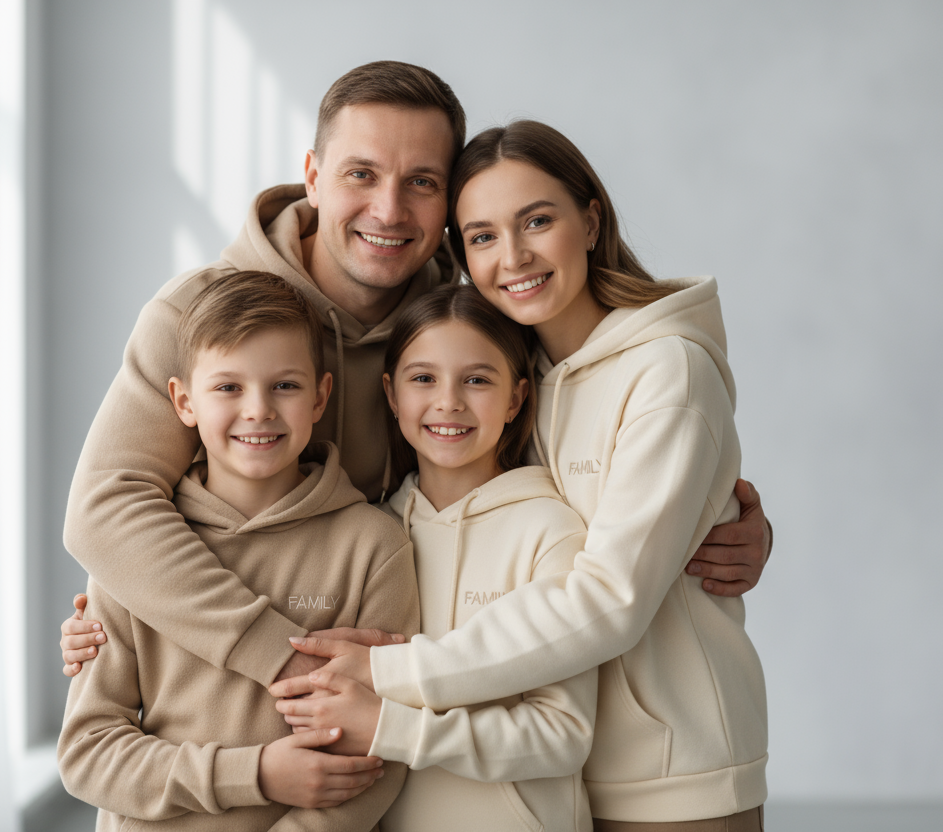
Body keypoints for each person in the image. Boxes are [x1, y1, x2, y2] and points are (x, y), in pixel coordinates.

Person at [58, 62, 771, 689]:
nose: (389, 210)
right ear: (312, 177)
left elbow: (578, 442)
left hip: (400, 710)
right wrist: (131, 619)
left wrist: (716, 516)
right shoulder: (200, 316)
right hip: (233, 698)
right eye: (360, 174)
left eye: (422, 183)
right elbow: (106, 509)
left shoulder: (467, 321)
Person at [271, 122, 768, 831]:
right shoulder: (515, 374)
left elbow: (610, 597)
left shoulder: (667, 370)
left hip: (672, 765)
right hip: (558, 783)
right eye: (481, 236)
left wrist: (390, 676)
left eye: (538, 220)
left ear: (591, 220)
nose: (513, 256)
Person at [57, 271, 419, 830]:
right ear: (183, 402)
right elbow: (88, 754)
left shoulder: (374, 547)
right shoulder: (136, 555)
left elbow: (380, 756)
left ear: (321, 395)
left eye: (285, 386)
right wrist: (252, 774)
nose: (258, 410)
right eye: (228, 387)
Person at [282, 284, 599, 831]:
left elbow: (561, 736)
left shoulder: (549, 529)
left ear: (516, 399)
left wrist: (392, 727)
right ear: (391, 393)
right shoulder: (372, 533)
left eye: (477, 380)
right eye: (423, 378)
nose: (448, 401)